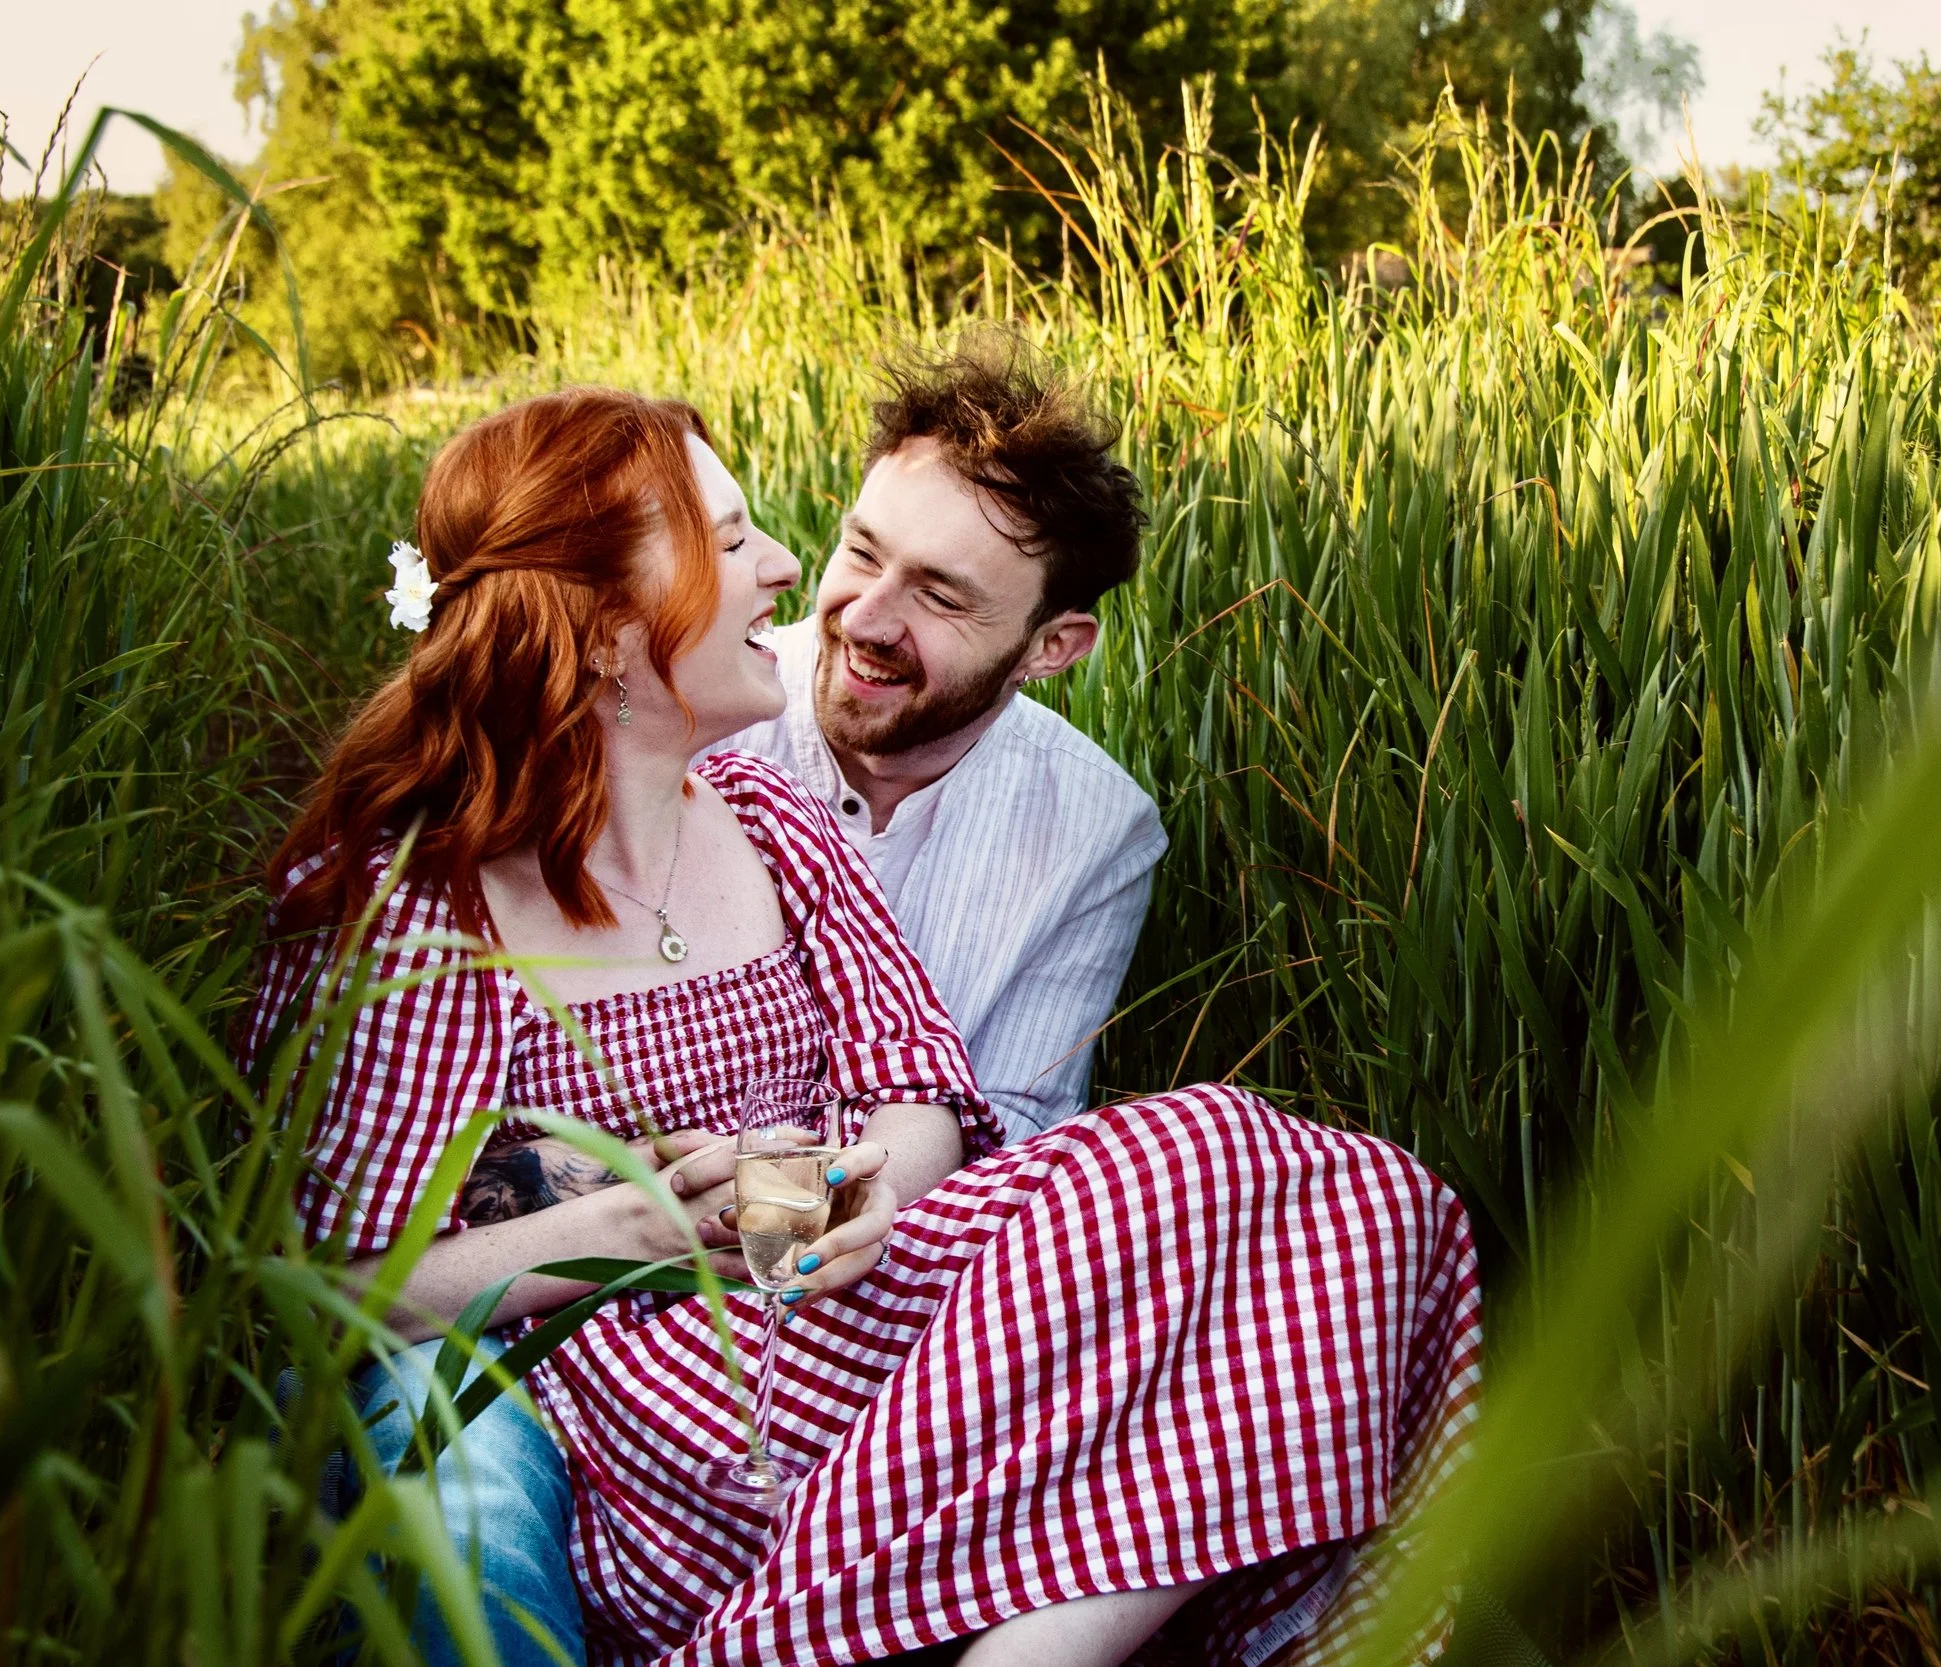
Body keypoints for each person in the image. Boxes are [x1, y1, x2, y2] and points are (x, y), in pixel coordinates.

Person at [240, 386, 1481, 1667]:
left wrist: (809, 1195)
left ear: (1052, 641)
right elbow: (321, 1282)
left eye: (941, 596)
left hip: (835, 1275)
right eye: (734, 544)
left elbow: (929, 1100)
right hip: (645, 1371)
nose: (791, 573)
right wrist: (633, 1216)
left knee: (1357, 1196)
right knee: (1212, 1152)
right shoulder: (426, 901)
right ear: (607, 629)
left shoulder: (775, 828)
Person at [725, 339, 1163, 1138]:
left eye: (941, 597)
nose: (863, 619)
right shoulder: (705, 719)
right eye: (863, 553)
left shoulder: (1099, 828)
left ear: (1051, 647)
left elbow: (1017, 1119)